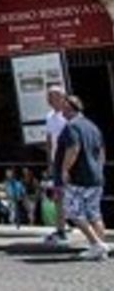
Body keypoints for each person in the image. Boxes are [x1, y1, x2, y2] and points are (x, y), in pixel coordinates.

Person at [57, 94, 110, 261]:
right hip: (96, 176)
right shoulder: (92, 126)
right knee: (94, 214)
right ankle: (101, 247)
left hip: (79, 176)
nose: (61, 112)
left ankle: (96, 244)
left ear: (69, 109)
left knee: (72, 211)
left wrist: (65, 170)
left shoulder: (72, 126)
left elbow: (73, 148)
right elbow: (101, 151)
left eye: (63, 108)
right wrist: (99, 169)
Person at [43, 85, 71, 245]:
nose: (49, 100)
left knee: (72, 195)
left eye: (53, 96)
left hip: (68, 160)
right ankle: (61, 228)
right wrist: (49, 161)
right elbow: (49, 139)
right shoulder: (49, 116)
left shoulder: (68, 116)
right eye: (48, 97)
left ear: (62, 98)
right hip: (56, 161)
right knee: (58, 196)